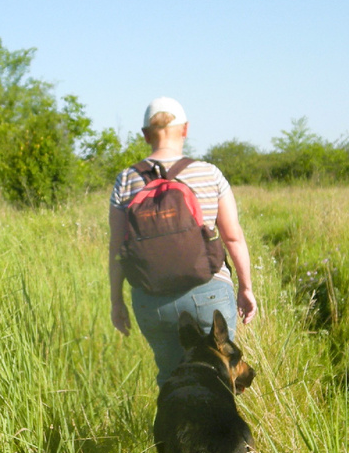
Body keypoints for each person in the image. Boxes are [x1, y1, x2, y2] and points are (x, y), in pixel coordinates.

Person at [109, 96, 258, 385]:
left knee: (171, 380)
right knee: (218, 380)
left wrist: (116, 301)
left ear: (145, 135)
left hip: (151, 301)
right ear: (185, 129)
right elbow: (233, 237)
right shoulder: (208, 173)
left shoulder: (126, 180)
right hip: (209, 292)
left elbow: (117, 249)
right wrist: (246, 288)